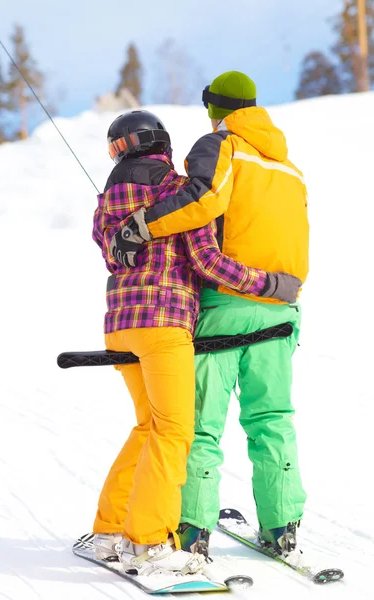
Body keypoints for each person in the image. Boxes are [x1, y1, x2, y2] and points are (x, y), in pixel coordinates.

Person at [91, 108, 302, 575]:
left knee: (149, 426)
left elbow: (110, 253)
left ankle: (108, 531)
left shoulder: (107, 198)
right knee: (174, 432)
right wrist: (270, 283)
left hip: (119, 324)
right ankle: (147, 543)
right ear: (160, 143)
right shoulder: (175, 190)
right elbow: (208, 262)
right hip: (164, 324)